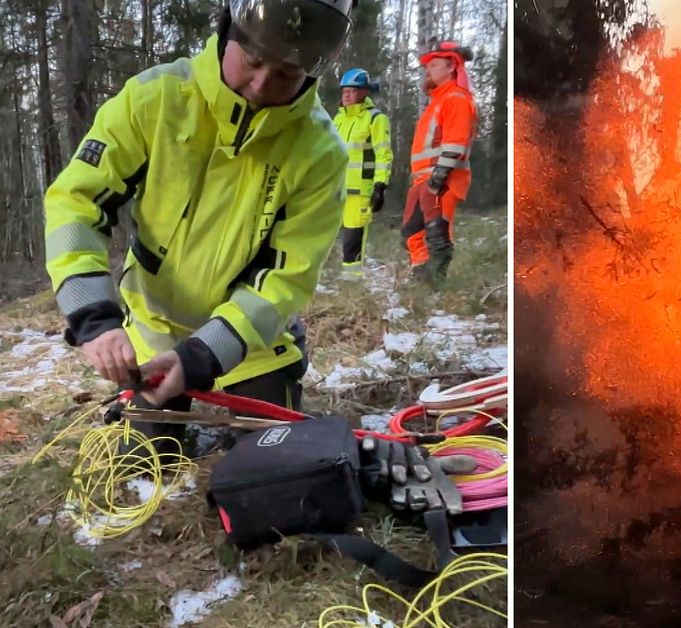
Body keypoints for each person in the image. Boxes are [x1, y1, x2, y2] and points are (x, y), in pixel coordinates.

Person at [43, 0, 354, 455]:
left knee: (271, 468)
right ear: (228, 31)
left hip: (251, 345)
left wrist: (201, 357)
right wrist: (93, 318)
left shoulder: (321, 152)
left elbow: (285, 280)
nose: (261, 84)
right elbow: (77, 203)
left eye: (286, 74)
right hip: (153, 327)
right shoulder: (155, 98)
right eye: (251, 61)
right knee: (141, 461)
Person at [402, 40, 478, 284]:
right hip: (424, 178)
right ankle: (421, 277)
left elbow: (455, 143)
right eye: (428, 65)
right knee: (412, 232)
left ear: (451, 67)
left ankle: (435, 283)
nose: (428, 70)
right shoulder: (438, 101)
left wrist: (438, 179)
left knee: (436, 232)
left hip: (442, 178)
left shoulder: (456, 99)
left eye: (434, 64)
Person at [334, 68, 393, 278]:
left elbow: (383, 154)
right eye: (344, 91)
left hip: (360, 192)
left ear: (364, 92)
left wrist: (380, 186)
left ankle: (351, 284)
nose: (347, 95)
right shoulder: (338, 119)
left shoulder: (375, 119)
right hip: (333, 190)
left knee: (352, 239)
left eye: (353, 90)